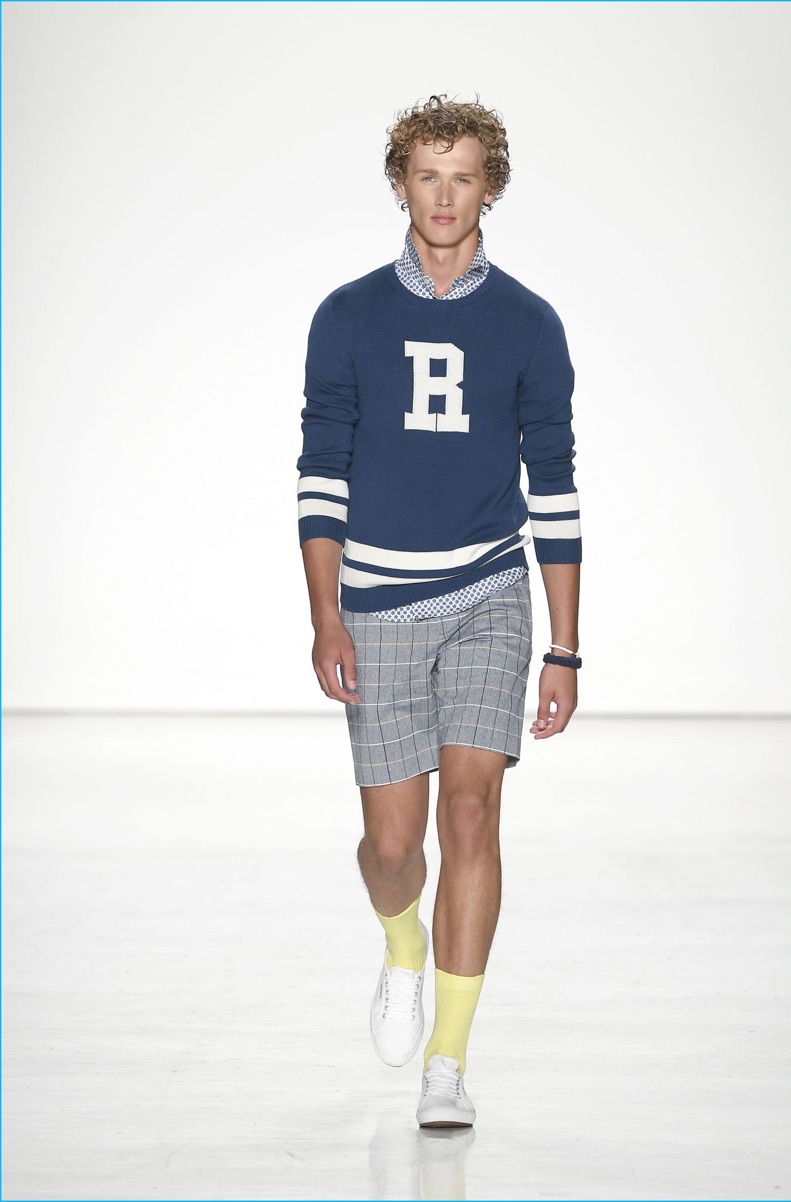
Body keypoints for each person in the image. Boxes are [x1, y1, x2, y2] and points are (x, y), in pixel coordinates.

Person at [297, 95, 581, 1128]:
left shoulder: (528, 323)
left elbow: (554, 485)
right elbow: (320, 474)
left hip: (486, 593)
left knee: (470, 813)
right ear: (401, 184)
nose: (445, 195)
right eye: (427, 174)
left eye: (463, 176)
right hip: (374, 602)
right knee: (390, 846)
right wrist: (326, 616)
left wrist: (564, 647)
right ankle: (401, 942)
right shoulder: (347, 316)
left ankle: (448, 1062)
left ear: (488, 187)